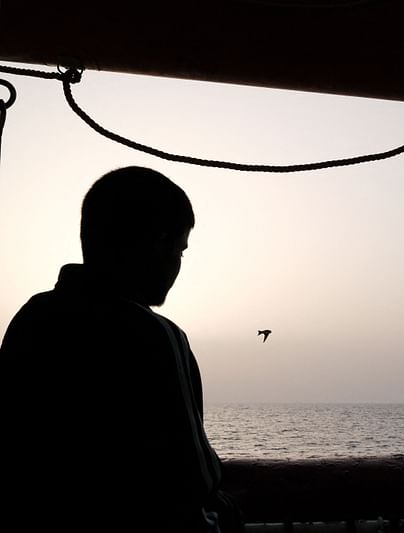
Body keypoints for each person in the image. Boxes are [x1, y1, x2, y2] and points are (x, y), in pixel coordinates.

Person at [0, 167, 243, 533]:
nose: (178, 265)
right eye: (180, 250)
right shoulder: (156, 336)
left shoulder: (31, 318)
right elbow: (192, 485)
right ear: (158, 244)